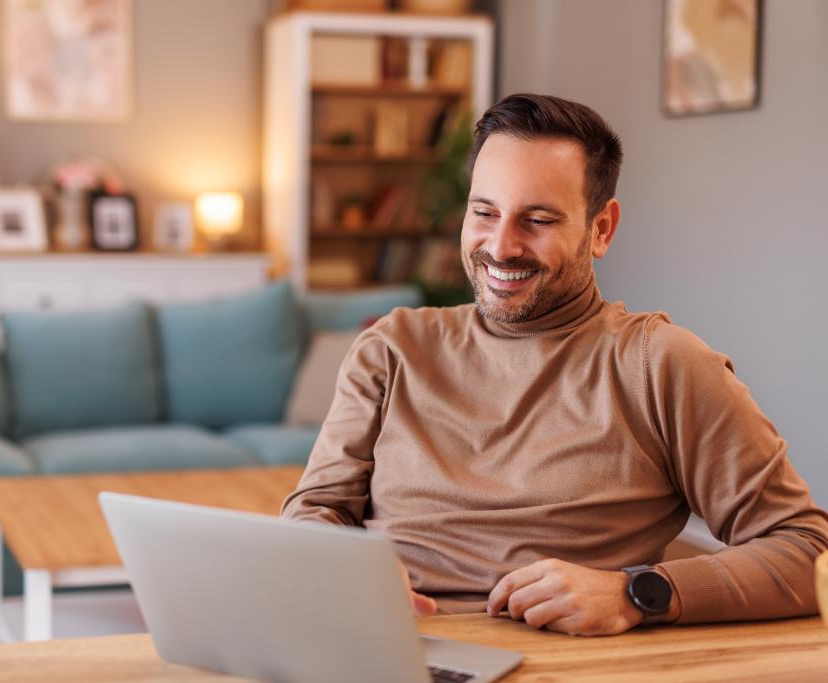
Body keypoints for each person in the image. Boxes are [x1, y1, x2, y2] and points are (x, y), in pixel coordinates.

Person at [281, 93, 828, 636]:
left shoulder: (660, 364)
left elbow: (808, 549)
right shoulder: (392, 348)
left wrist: (636, 592)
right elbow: (316, 512)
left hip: (557, 662)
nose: (500, 246)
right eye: (484, 212)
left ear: (601, 229)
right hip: (386, 647)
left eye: (537, 220)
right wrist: (347, 572)